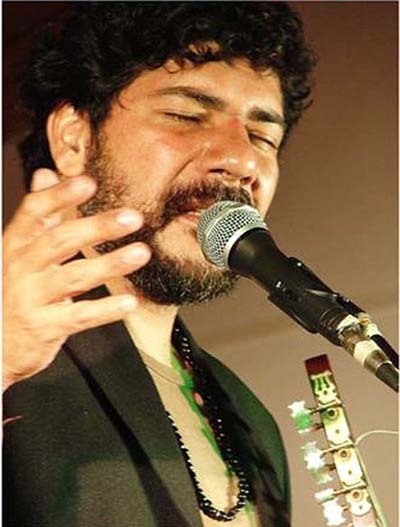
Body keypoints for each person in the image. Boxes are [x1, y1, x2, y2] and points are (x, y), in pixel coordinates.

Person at [3, 3, 315, 526]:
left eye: (263, 137)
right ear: (75, 139)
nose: (241, 160)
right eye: (186, 115)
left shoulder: (253, 423)